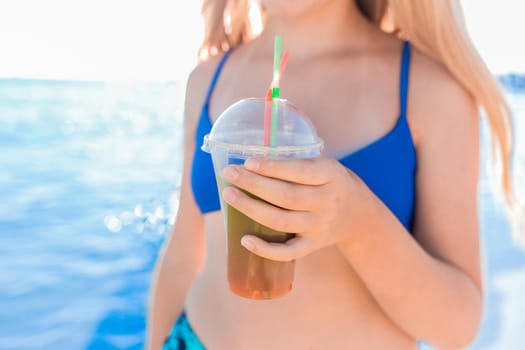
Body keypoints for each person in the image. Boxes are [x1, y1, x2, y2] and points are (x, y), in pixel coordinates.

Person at [147, 0, 515, 349]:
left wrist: (358, 221)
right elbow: (182, 256)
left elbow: (456, 328)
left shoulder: (431, 90)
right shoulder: (209, 78)